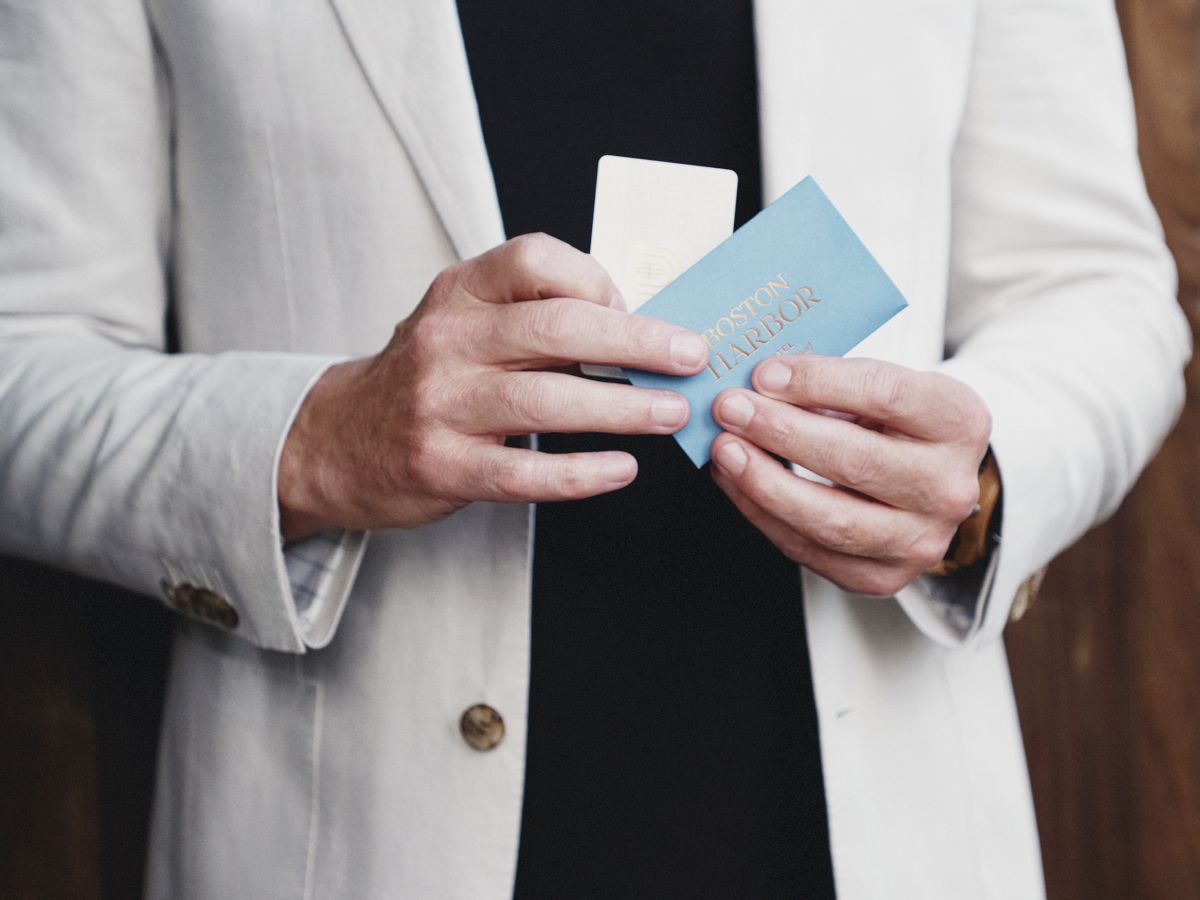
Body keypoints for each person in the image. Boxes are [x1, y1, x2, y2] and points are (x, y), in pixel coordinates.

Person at [0, 0, 1187, 897]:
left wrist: (978, 478)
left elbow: (1090, 284)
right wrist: (316, 439)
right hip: (354, 833)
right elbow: (21, 354)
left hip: (869, 828)